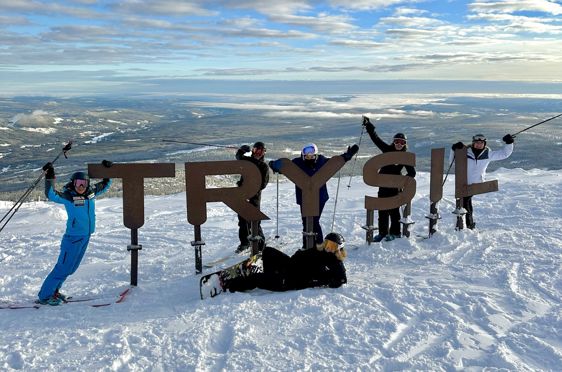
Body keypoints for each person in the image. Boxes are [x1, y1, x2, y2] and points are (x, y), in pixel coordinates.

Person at [37, 160, 112, 306]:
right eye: (78, 183)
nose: (81, 186)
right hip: (72, 238)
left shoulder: (91, 193)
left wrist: (107, 172)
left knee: (71, 268)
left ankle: (54, 291)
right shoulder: (68, 197)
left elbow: (104, 185)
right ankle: (45, 296)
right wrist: (50, 176)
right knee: (62, 268)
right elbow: (51, 194)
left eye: (84, 183)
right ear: (73, 184)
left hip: (86, 236)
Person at [269, 143, 359, 248]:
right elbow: (285, 168)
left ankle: (319, 245)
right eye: (306, 155)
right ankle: (307, 246)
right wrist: (273, 165)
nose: (309, 156)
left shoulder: (322, 160)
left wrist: (347, 156)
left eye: (311, 154)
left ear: (315, 154)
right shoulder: (297, 162)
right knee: (306, 221)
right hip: (304, 197)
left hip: (319, 197)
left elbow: (334, 164)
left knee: (314, 221)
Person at [224, 232, 347, 293]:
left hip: (291, 280)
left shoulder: (335, 261)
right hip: (290, 266)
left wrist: (314, 282)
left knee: (256, 279)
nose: (328, 247)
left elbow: (341, 279)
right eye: (327, 243)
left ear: (339, 248)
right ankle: (256, 268)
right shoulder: (318, 250)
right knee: (268, 251)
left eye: (332, 245)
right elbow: (300, 255)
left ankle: (230, 284)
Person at [363, 118, 416, 242]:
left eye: (402, 142)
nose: (399, 144)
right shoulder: (387, 150)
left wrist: (403, 183)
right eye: (397, 141)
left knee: (394, 211)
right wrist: (369, 127)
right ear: (393, 142)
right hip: (383, 185)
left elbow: (412, 173)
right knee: (382, 210)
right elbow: (376, 139)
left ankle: (395, 233)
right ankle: (382, 232)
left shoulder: (405, 157)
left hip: (394, 188)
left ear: (405, 144)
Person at [450, 133, 515, 229]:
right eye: (476, 142)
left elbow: (504, 154)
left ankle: (467, 226)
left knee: (465, 202)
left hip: (477, 183)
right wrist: (454, 149)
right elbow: (452, 161)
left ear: (484, 144)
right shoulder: (465, 152)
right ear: (473, 143)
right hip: (464, 183)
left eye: (481, 143)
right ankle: (467, 225)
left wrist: (509, 143)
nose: (479, 144)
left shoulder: (487, 154)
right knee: (465, 202)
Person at [235, 141, 269, 253]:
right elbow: (239, 158)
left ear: (264, 152)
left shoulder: (263, 166)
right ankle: (244, 243)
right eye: (256, 150)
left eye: (261, 150)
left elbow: (263, 184)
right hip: (242, 195)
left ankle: (260, 243)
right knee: (242, 220)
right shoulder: (247, 162)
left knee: (254, 220)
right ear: (252, 150)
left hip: (254, 197)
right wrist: (241, 150)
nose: (258, 152)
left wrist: (252, 189)